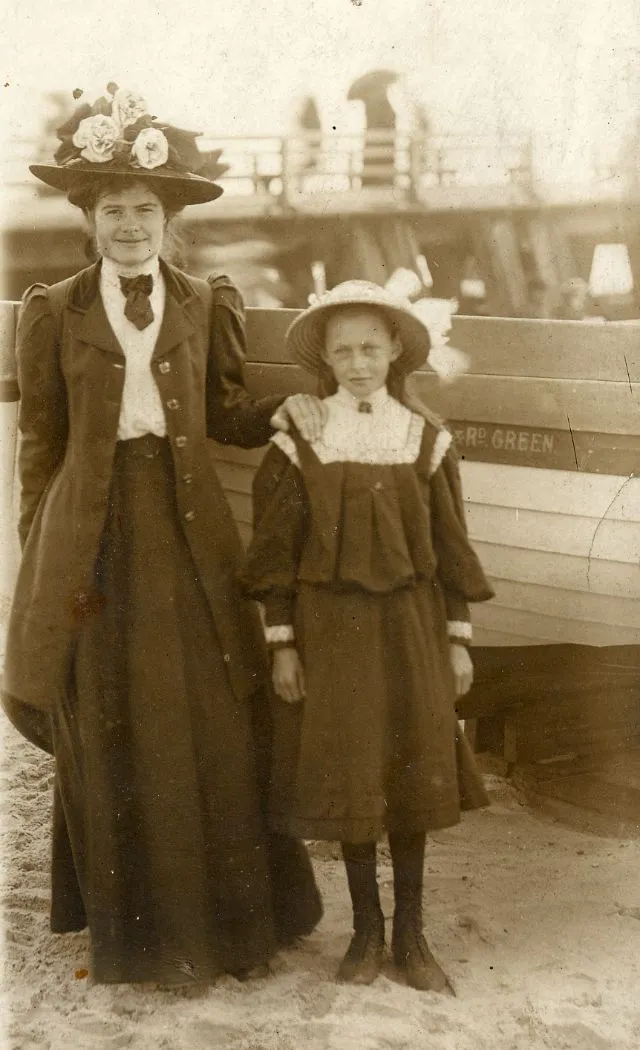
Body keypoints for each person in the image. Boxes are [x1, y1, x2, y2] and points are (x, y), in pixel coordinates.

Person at [2, 85, 325, 985]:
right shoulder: (51, 310)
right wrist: (39, 554)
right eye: (114, 212)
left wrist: (285, 409)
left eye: (146, 210)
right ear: (89, 219)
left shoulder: (202, 300)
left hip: (188, 534)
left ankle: (237, 928)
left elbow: (224, 412)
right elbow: (42, 444)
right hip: (91, 540)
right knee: (109, 723)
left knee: (215, 716)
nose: (131, 225)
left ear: (169, 217)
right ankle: (138, 939)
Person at [243, 281, 495, 993]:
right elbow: (274, 554)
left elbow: (451, 546)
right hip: (331, 633)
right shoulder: (301, 438)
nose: (358, 362)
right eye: (343, 350)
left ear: (394, 353)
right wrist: (283, 642)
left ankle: (411, 935)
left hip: (411, 629)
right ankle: (365, 931)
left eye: (370, 348)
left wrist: (457, 638)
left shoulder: (425, 438)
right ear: (324, 359)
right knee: (354, 771)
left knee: (409, 770)